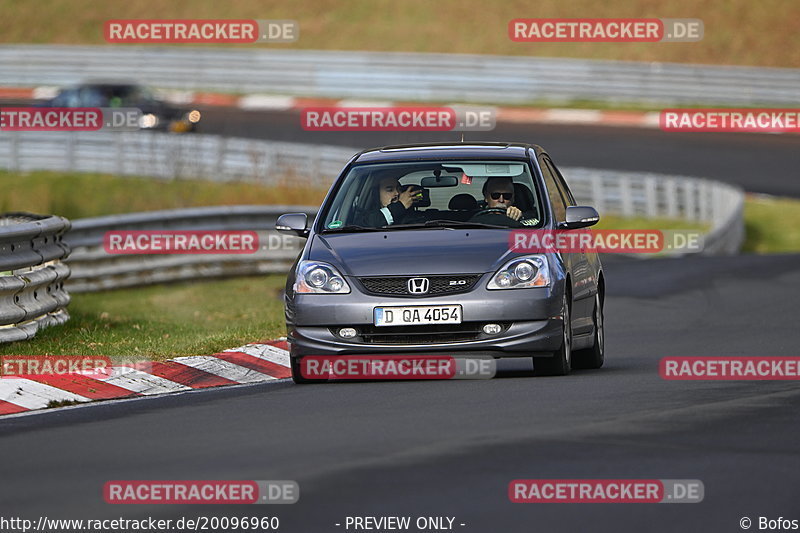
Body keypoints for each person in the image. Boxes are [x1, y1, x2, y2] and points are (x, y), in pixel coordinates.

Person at [357, 175, 424, 227]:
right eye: (390, 190)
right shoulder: (365, 218)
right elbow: (369, 224)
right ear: (377, 195)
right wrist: (400, 205)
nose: (397, 193)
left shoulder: (415, 218)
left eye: (399, 189)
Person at [469, 177, 536, 227]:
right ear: (486, 197)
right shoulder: (472, 220)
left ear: (513, 198)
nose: (501, 200)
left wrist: (521, 217)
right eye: (495, 195)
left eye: (507, 196)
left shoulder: (525, 216)